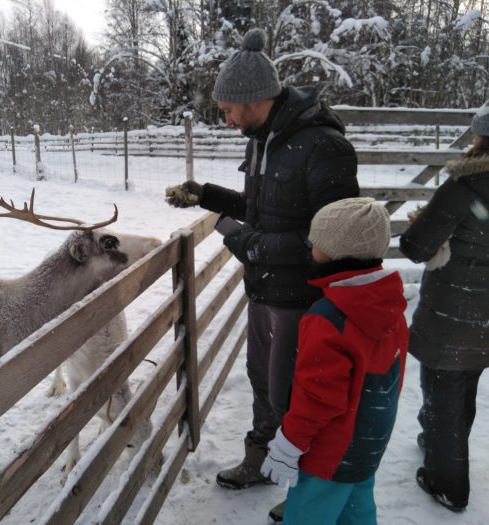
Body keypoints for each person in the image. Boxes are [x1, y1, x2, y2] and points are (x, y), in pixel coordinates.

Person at [165, 27, 359, 492]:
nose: (227, 119)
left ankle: (305, 486)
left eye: (229, 110)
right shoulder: (263, 139)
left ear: (253, 100)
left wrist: (255, 246)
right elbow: (262, 210)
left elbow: (337, 235)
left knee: (295, 392)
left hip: (302, 297)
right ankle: (264, 461)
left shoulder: (322, 146)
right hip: (264, 287)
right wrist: (207, 194)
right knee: (262, 379)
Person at [260, 197, 408, 525]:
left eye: (317, 242)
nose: (310, 247)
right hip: (367, 443)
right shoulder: (389, 303)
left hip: (328, 454)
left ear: (335, 252)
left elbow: (317, 398)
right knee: (356, 508)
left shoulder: (328, 319)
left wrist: (288, 444)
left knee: (309, 514)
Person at [399, 102, 489, 512]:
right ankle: (438, 442)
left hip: (455, 314)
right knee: (462, 387)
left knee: (444, 390)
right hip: (483, 318)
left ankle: (447, 484)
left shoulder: (466, 186)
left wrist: (424, 223)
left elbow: (415, 247)